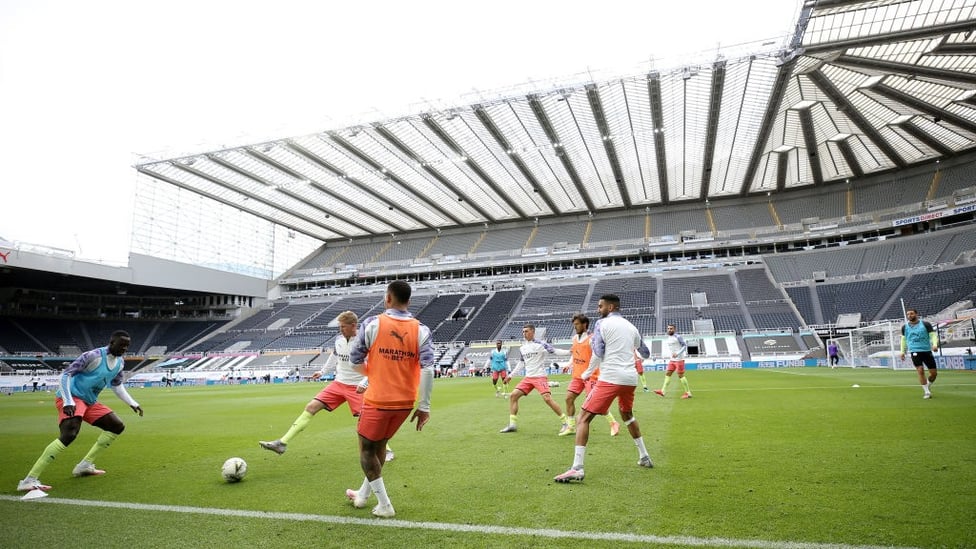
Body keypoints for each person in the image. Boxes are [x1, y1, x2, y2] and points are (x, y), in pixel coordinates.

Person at [344, 280, 434, 518]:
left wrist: (373, 374)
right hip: (405, 402)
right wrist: (424, 406)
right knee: (380, 445)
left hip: (378, 400)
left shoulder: (372, 324)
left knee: (366, 450)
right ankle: (363, 494)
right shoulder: (421, 329)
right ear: (409, 301)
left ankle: (384, 505)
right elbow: (428, 368)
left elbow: (354, 362)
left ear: (387, 298)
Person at [259, 311, 395, 462]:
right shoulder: (338, 340)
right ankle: (282, 443)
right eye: (340, 326)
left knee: (367, 421)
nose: (340, 329)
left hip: (357, 387)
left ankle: (387, 450)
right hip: (338, 383)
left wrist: (365, 382)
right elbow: (335, 356)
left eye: (343, 326)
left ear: (353, 325)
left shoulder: (365, 342)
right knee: (311, 407)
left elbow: (376, 366)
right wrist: (323, 371)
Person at [17, 330, 143, 493]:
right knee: (69, 434)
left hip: (89, 401)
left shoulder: (120, 363)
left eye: (127, 346)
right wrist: (68, 401)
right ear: (112, 343)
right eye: (122, 345)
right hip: (71, 397)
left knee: (116, 426)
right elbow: (65, 375)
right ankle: (29, 480)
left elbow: (117, 385)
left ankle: (84, 466)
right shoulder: (93, 356)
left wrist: (132, 403)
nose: (124, 349)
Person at [554, 294, 652, 483]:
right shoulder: (631, 327)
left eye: (600, 306)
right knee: (628, 415)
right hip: (630, 379)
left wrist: (587, 373)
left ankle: (577, 468)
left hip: (610, 377)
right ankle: (644, 456)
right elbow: (645, 353)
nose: (598, 310)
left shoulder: (601, 324)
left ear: (611, 307)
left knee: (583, 418)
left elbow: (598, 351)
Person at [499, 323, 570, 434]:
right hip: (528, 378)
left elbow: (555, 351)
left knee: (547, 399)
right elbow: (521, 363)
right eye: (523, 331)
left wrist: (570, 352)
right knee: (513, 396)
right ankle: (512, 424)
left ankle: (566, 423)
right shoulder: (523, 348)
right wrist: (510, 376)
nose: (524, 333)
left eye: (526, 331)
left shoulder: (541, 344)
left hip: (539, 377)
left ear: (533, 332)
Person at [560, 313, 620, 437]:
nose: (575, 327)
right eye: (574, 324)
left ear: (584, 324)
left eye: (577, 324)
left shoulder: (592, 339)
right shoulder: (574, 338)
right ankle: (571, 426)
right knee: (568, 398)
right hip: (577, 375)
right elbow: (575, 353)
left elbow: (598, 355)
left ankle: (613, 422)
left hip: (591, 376)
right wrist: (569, 364)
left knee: (595, 404)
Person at [899, 308, 939, 399]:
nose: (909, 316)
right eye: (908, 314)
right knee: (920, 370)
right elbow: (903, 340)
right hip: (914, 351)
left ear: (916, 314)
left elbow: (933, 335)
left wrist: (935, 345)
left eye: (911, 314)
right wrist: (902, 351)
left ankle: (927, 385)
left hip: (926, 351)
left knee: (934, 374)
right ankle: (927, 392)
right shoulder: (905, 327)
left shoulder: (925, 324)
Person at [653, 324, 692, 399]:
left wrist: (678, 353)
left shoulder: (678, 337)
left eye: (671, 328)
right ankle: (663, 391)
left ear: (674, 329)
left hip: (679, 360)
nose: (669, 330)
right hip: (672, 360)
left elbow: (684, 346)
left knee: (680, 375)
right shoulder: (668, 338)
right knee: (668, 373)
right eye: (668, 328)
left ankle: (688, 393)